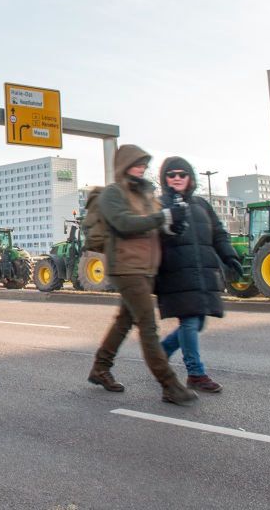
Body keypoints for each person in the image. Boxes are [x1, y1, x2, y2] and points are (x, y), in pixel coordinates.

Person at [87, 145, 198, 405]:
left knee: (124, 321)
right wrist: (163, 217)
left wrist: (172, 225)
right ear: (124, 164)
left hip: (146, 267)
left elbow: (154, 225)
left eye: (144, 164)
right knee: (148, 326)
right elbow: (124, 224)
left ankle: (100, 369)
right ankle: (169, 385)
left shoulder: (146, 193)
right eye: (137, 163)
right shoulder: (113, 193)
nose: (142, 168)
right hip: (126, 267)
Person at [156, 157, 243, 393]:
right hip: (175, 274)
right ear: (164, 179)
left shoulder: (202, 204)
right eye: (171, 174)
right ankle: (195, 373)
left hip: (203, 272)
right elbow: (151, 238)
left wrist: (230, 256)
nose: (176, 178)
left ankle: (160, 353)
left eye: (181, 174)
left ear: (190, 178)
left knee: (198, 322)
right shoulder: (158, 205)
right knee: (190, 321)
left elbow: (219, 234)